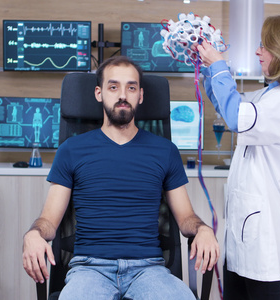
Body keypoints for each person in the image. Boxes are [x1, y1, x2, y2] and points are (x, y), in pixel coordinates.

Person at [22, 56, 219, 300]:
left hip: (149, 270)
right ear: (99, 93)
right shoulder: (71, 150)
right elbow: (48, 221)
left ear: (141, 95)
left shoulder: (165, 151)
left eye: (131, 87)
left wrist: (203, 229)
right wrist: (33, 234)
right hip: (90, 269)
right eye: (113, 87)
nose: (122, 95)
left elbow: (186, 218)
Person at [194, 12, 280, 300]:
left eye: (265, 46)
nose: (258, 51)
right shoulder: (272, 94)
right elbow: (227, 105)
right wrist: (207, 67)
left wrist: (219, 65)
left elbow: (236, 118)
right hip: (245, 233)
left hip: (264, 237)